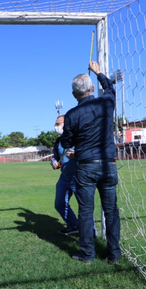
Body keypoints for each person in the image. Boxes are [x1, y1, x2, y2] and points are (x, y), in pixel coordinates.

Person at [60, 61, 121, 265]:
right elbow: (110, 88)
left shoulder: (71, 115)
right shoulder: (106, 103)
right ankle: (114, 254)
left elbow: (66, 142)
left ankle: (87, 254)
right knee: (110, 210)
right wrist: (99, 73)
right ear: (93, 88)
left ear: (74, 95)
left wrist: (76, 140)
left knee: (86, 211)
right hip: (108, 165)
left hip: (86, 166)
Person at [51, 115, 79, 235]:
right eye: (56, 124)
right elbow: (55, 156)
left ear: (66, 124)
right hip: (64, 176)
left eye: (58, 124)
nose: (56, 127)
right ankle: (74, 226)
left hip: (78, 176)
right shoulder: (58, 141)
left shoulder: (77, 137)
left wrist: (76, 154)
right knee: (60, 203)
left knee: (84, 207)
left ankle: (90, 233)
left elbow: (88, 152)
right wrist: (54, 162)